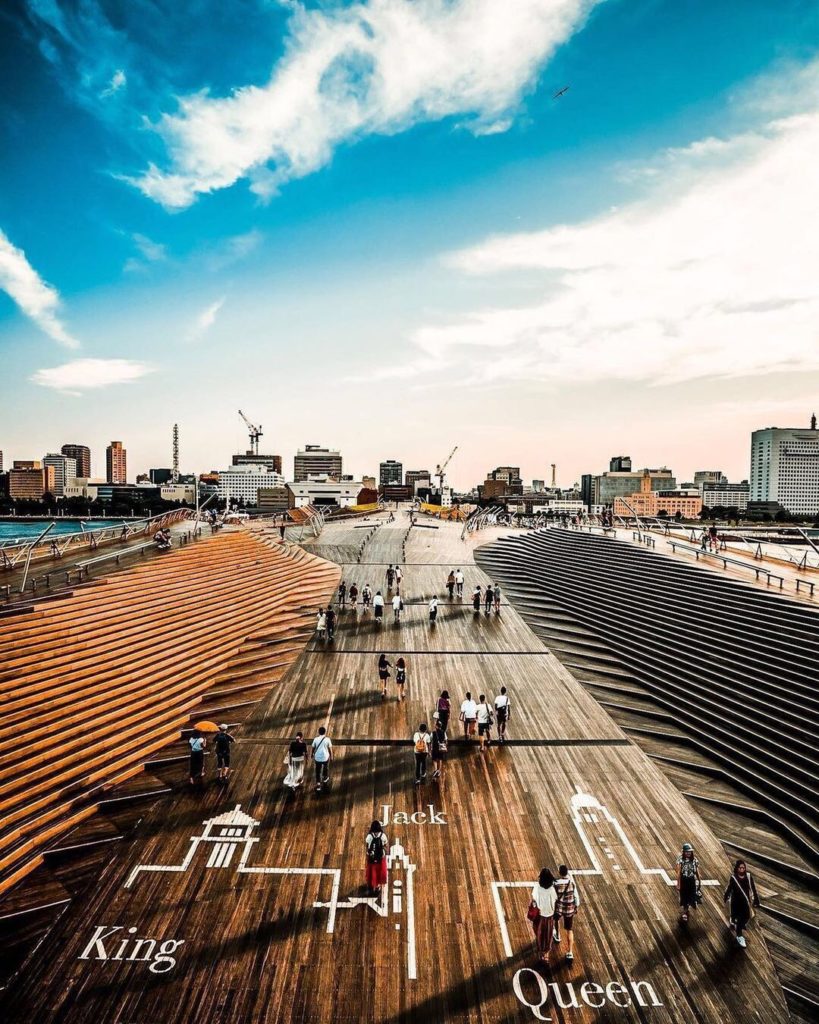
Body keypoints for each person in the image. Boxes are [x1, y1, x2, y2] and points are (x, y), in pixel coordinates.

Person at [724, 859, 760, 948]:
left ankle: (736, 924)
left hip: (745, 902)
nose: (742, 869)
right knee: (738, 918)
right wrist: (726, 896)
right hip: (736, 902)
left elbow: (753, 888)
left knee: (747, 916)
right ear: (737, 869)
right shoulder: (734, 878)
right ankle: (739, 935)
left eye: (743, 868)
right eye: (740, 868)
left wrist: (756, 899)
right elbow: (730, 888)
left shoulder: (748, 876)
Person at [529, 868, 558, 963]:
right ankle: (546, 955)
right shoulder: (552, 889)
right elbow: (555, 899)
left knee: (539, 932)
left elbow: (534, 900)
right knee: (548, 935)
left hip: (540, 915)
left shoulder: (537, 887)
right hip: (549, 915)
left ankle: (541, 951)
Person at [552, 865, 579, 962]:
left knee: (556, 920)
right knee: (569, 929)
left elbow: (554, 896)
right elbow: (576, 897)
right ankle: (570, 952)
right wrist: (576, 906)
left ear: (559, 872)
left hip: (559, 907)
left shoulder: (556, 883)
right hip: (569, 908)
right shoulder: (571, 883)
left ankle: (557, 936)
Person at [676, 842, 702, 922]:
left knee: (692, 896)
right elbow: (678, 873)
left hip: (691, 880)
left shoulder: (694, 860)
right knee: (684, 897)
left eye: (690, 852)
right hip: (684, 881)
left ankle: (687, 909)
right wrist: (678, 884)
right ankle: (685, 911)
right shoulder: (680, 860)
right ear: (683, 852)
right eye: (687, 852)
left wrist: (699, 881)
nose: (688, 853)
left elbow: (697, 871)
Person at [365, 820, 389, 896]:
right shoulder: (383, 836)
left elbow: (367, 846)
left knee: (372, 872)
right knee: (380, 872)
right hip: (380, 858)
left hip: (371, 858)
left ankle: (372, 885)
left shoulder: (369, 836)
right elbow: (385, 845)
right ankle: (378, 886)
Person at [311, 726, 333, 791]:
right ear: (325, 732)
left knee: (317, 770)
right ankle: (325, 778)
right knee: (326, 767)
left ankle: (318, 784)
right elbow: (330, 749)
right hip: (325, 757)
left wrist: (312, 754)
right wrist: (332, 756)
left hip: (317, 758)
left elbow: (313, 747)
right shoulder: (327, 739)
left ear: (319, 732)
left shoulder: (315, 739)